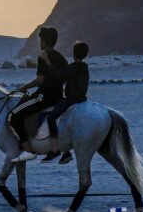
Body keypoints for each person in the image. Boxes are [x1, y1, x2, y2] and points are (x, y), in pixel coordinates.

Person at [7, 26, 68, 163]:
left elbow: (40, 80)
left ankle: (28, 151)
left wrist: (24, 86)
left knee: (13, 116)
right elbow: (64, 78)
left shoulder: (42, 56)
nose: (39, 42)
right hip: (59, 97)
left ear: (45, 41)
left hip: (44, 97)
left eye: (40, 39)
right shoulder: (61, 58)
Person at [41, 41, 90, 163]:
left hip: (71, 99)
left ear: (74, 54)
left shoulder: (74, 67)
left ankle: (55, 150)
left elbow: (59, 76)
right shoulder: (85, 67)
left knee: (51, 118)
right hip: (82, 98)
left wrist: (47, 61)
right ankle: (66, 152)